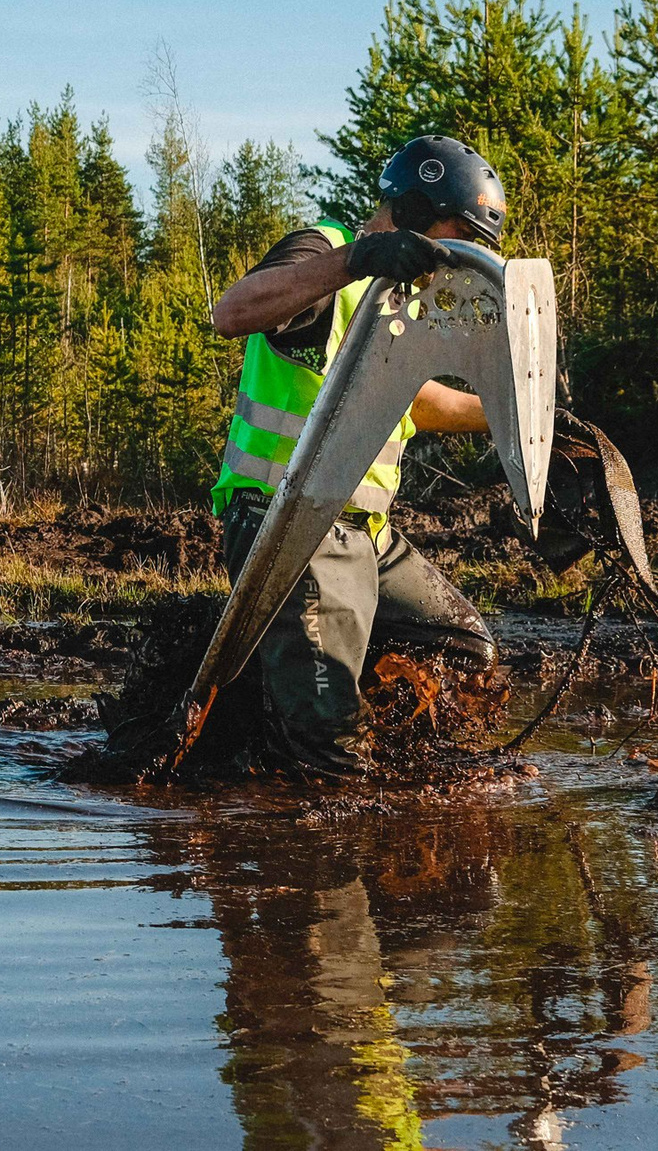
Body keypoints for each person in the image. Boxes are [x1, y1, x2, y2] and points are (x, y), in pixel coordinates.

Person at [206, 134, 505, 773]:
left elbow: (418, 403)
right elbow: (231, 311)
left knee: (464, 647)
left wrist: (512, 416)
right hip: (291, 521)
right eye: (463, 235)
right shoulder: (328, 254)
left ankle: (298, 707)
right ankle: (310, 767)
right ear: (420, 213)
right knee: (328, 753)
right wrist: (359, 259)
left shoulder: (401, 300)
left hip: (364, 532)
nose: (468, 258)